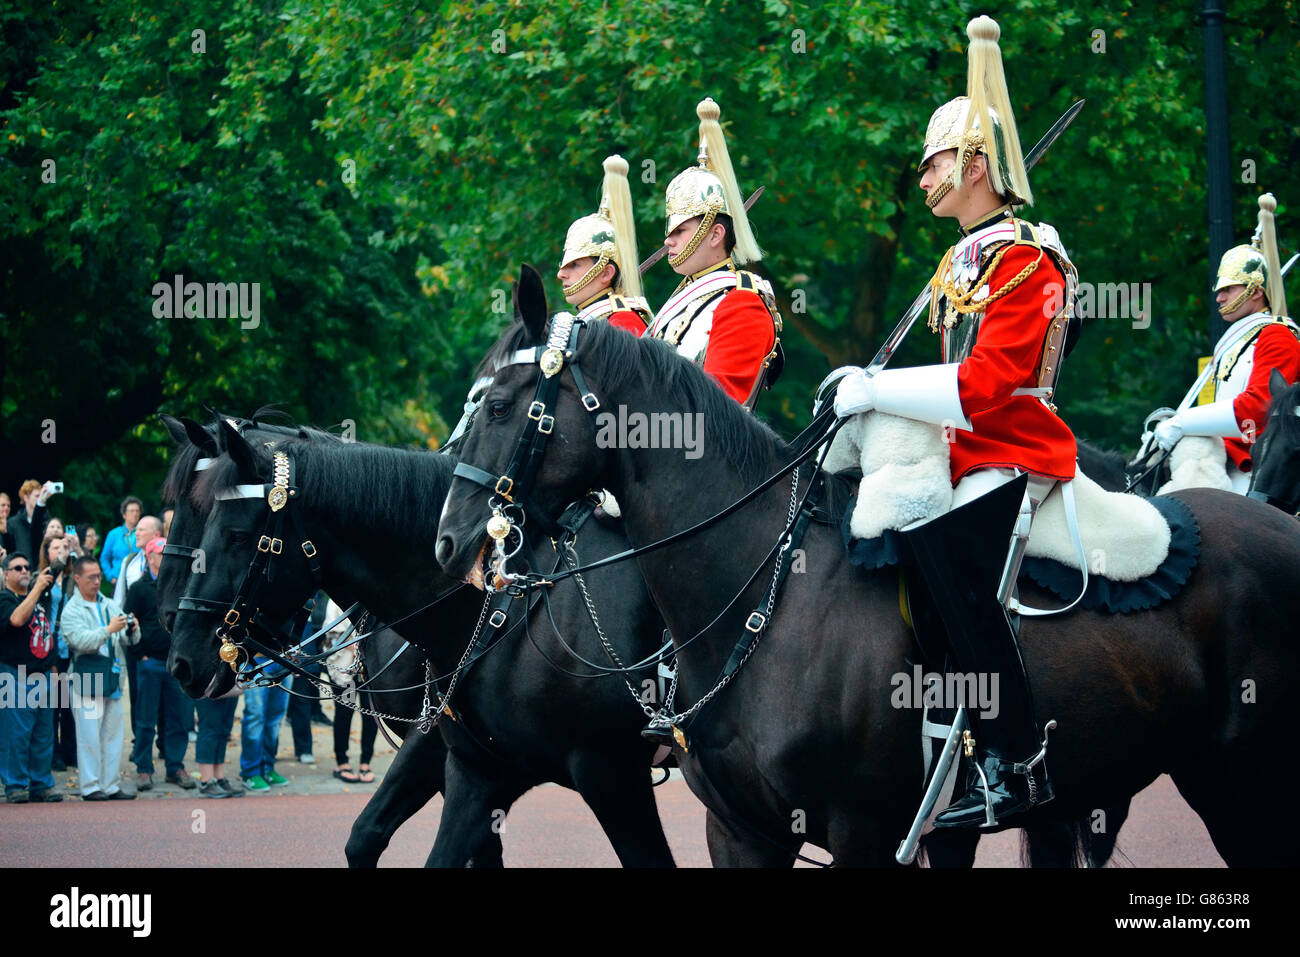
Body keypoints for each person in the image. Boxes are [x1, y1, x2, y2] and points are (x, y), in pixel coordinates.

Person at [835, 16, 1079, 828]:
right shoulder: (965, 258)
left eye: (937, 159)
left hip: (1015, 452)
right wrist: (865, 390)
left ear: (976, 164)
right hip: (961, 455)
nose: (924, 173)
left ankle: (1017, 757)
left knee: (944, 556)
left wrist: (881, 392)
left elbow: (984, 387)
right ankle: (931, 735)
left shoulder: (1029, 258)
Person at [1151, 194, 1300, 491]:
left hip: (1258, 466)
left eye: (1228, 289)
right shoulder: (1242, 338)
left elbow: (1256, 408)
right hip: (1226, 457)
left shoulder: (1277, 335)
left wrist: (1183, 423)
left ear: (1256, 291)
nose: (1219, 297)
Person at [645, 98, 783, 411]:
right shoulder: (682, 298)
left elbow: (715, 412)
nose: (668, 241)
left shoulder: (741, 300)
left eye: (680, 230)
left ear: (715, 234)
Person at [60, 556, 142, 799]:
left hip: (112, 675)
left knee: (113, 735)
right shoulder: (71, 610)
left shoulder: (107, 604)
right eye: (91, 577)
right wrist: (108, 630)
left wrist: (133, 628)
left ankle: (111, 785)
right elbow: (80, 641)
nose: (97, 581)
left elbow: (129, 640)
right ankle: (91, 786)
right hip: (86, 675)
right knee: (88, 736)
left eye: (99, 576)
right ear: (77, 579)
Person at [124, 538, 195, 791]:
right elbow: (128, 621)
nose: (165, 557)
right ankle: (144, 768)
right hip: (150, 662)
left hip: (175, 664)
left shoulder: (182, 585)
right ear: (149, 556)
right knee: (145, 720)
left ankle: (175, 767)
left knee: (179, 719)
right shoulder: (138, 588)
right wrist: (140, 653)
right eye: (161, 553)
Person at [556, 155, 654, 334]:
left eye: (575, 264)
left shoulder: (622, 322)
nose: (561, 274)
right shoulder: (589, 319)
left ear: (606, 273)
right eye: (564, 265)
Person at [0, 552, 64, 802]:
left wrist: (54, 668)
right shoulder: (4, 599)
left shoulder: (35, 597)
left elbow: (46, 632)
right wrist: (36, 589)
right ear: (6, 574)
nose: (25, 571)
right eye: (17, 568)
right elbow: (17, 619)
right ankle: (15, 784)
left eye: (27, 567)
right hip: (15, 675)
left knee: (44, 734)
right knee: (16, 734)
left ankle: (41, 783)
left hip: (44, 674)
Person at [39, 534, 79, 771]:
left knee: (69, 705)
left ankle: (70, 751)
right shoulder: (41, 577)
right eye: (55, 548)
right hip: (48, 646)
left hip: (70, 646)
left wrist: (77, 550)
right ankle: (52, 752)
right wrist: (55, 567)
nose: (61, 552)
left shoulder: (74, 579)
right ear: (47, 553)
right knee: (53, 704)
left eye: (64, 547)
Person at [240, 663, 292, 791]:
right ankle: (251, 772)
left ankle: (268, 768)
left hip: (284, 660)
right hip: (255, 661)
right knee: (255, 716)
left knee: (275, 718)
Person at [100, 496, 142, 593]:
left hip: (138, 580)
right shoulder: (114, 534)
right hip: (118, 580)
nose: (135, 514)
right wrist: (110, 576)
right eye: (131, 511)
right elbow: (104, 558)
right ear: (124, 515)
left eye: (137, 511)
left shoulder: (143, 533)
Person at [9, 480, 56, 564]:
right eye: (37, 496)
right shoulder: (13, 523)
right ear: (26, 498)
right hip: (22, 570)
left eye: (41, 496)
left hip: (42, 568)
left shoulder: (48, 521)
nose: (40, 498)